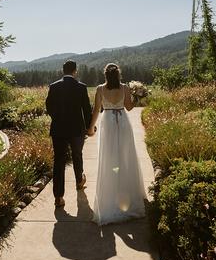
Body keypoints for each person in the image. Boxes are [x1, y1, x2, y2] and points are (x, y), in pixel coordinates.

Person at [88, 63, 146, 225]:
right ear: (118, 74)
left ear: (106, 75)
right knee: (125, 157)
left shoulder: (100, 89)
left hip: (107, 124)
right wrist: (137, 97)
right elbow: (129, 107)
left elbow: (96, 110)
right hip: (123, 123)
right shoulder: (125, 88)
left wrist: (91, 128)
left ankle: (110, 196)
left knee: (109, 158)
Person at [45, 60, 93, 208]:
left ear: (63, 70)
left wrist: (57, 119)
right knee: (77, 155)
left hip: (58, 129)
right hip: (76, 129)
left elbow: (49, 106)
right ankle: (79, 181)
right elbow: (86, 109)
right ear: (75, 71)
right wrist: (90, 127)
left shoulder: (54, 86)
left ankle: (58, 197)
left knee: (59, 162)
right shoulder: (81, 87)